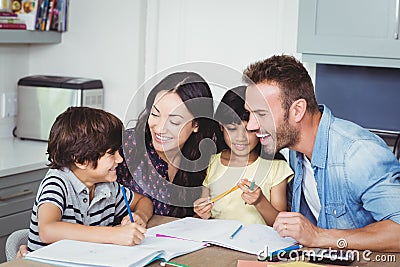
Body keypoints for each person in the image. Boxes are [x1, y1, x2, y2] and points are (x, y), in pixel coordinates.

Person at [243, 54, 400, 251]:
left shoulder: (357, 154)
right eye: (249, 114)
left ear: (297, 110)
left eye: (261, 114)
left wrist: (319, 236)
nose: (251, 125)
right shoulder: (294, 149)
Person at [26, 107, 153, 253]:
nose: (120, 159)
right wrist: (113, 234)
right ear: (81, 160)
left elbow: (143, 201)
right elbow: (47, 230)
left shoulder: (108, 187)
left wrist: (140, 216)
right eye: (111, 153)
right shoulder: (57, 183)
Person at [117, 72, 219, 218]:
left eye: (174, 122)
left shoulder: (205, 156)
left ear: (196, 124)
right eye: (155, 114)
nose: (159, 129)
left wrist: (201, 214)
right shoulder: (128, 147)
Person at [193, 86, 293, 226]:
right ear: (221, 126)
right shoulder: (211, 163)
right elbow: (203, 215)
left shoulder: (276, 167)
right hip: (218, 244)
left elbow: (282, 224)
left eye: (249, 130)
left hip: (258, 244)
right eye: (232, 129)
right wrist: (200, 213)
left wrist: (260, 202)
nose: (240, 138)